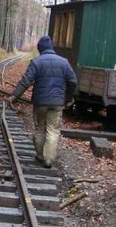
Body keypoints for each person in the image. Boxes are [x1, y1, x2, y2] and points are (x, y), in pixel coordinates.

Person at [10, 35, 77, 168]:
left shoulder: (36, 62)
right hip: (57, 103)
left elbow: (26, 81)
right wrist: (68, 98)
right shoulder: (64, 62)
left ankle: (40, 155)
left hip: (40, 103)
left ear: (40, 49)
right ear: (51, 47)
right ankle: (49, 159)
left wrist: (14, 96)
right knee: (53, 130)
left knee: (40, 128)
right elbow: (73, 81)